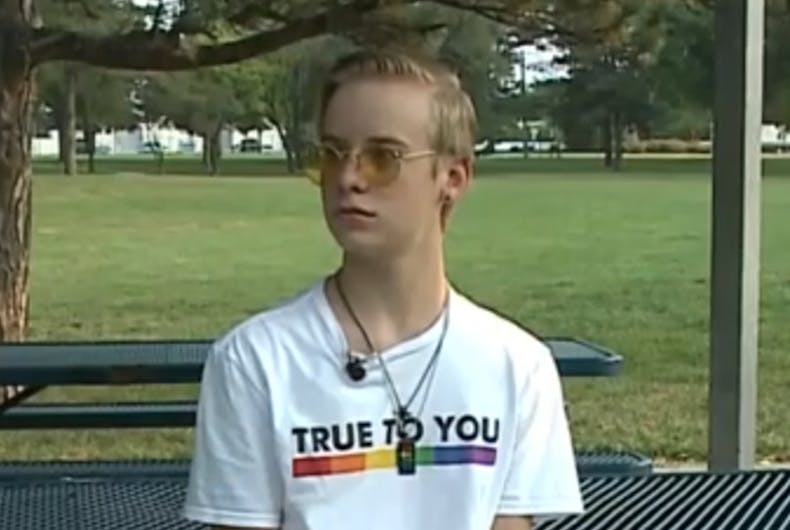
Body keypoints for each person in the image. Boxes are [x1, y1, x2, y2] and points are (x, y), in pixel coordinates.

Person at [182, 47, 584, 530]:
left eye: (382, 158)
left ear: (453, 178)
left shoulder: (517, 367)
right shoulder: (255, 361)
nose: (349, 179)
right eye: (332, 154)